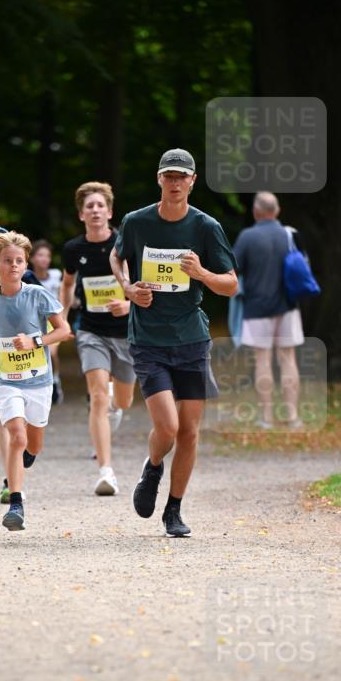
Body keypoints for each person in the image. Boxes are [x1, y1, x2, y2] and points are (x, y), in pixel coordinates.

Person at [110, 148, 238, 537]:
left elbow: (231, 284)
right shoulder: (137, 222)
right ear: (159, 179)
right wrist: (129, 288)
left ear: (193, 181)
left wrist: (201, 273)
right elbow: (117, 258)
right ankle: (152, 469)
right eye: (169, 175)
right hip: (149, 338)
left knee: (190, 431)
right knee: (166, 426)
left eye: (182, 176)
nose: (175, 182)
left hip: (191, 340)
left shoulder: (205, 227)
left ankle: (174, 509)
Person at [0, 231, 69, 531]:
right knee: (16, 435)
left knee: (33, 445)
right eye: (7, 261)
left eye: (19, 261)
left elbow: (63, 331)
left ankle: (26, 459)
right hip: (7, 380)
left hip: (39, 381)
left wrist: (35, 341)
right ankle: (16, 503)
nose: (14, 266)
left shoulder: (38, 294)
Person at [61, 182, 136, 496]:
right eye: (89, 206)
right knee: (98, 397)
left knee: (123, 401)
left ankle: (114, 404)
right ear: (81, 214)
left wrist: (128, 303)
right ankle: (106, 471)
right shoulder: (73, 249)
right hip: (91, 331)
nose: (95, 210)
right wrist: (61, 319)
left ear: (109, 212)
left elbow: (141, 286)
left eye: (100, 205)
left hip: (126, 334)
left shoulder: (125, 244)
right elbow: (66, 285)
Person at [233, 192, 306, 429]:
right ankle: (293, 417)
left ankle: (266, 418)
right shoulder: (291, 234)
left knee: (262, 361)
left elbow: (233, 269)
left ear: (256, 212)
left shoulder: (247, 237)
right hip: (288, 306)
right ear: (277, 210)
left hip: (256, 307)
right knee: (288, 359)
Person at [30, 240, 64, 405]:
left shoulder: (56, 275)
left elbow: (63, 295)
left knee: (51, 353)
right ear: (32, 258)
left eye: (48, 256)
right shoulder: (26, 277)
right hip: (33, 322)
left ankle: (55, 381)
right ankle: (39, 386)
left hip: (52, 320)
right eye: (40, 255)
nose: (45, 259)